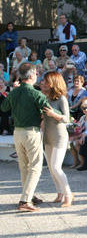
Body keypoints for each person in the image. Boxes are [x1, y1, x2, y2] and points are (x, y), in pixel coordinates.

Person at [1, 63, 49, 212]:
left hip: (17, 132)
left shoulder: (14, 92)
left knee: (23, 166)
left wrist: (8, 92)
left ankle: (29, 195)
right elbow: (48, 110)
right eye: (35, 74)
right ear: (31, 75)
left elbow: (3, 108)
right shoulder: (36, 93)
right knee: (35, 167)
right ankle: (25, 200)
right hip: (31, 132)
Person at [39, 72, 73, 207]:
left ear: (53, 83)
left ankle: (68, 194)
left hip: (59, 136)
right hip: (47, 136)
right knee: (51, 168)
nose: (43, 84)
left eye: (46, 82)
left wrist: (53, 114)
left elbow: (66, 118)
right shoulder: (44, 97)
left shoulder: (61, 99)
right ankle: (59, 193)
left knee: (56, 167)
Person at [69, 99, 87, 169]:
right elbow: (78, 127)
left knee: (76, 142)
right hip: (82, 135)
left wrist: (77, 136)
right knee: (70, 141)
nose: (86, 110)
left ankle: (83, 162)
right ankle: (76, 161)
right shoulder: (83, 117)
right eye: (84, 108)